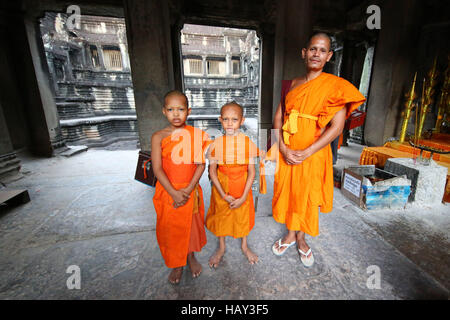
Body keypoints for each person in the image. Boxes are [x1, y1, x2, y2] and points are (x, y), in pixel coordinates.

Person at [269, 32, 366, 267]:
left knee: (307, 195)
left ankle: (301, 238)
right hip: (289, 150)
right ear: (304, 53)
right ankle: (290, 234)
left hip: (314, 153)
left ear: (329, 56)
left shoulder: (335, 87)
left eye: (322, 50)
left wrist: (309, 150)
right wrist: (282, 147)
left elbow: (337, 126)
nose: (316, 54)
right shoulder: (290, 84)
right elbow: (278, 120)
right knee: (290, 193)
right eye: (313, 49)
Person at [151, 90, 210, 284]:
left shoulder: (196, 135)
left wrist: (188, 189)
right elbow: (157, 169)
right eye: (171, 109)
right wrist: (174, 193)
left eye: (181, 109)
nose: (176, 114)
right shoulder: (158, 137)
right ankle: (177, 264)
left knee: (191, 227)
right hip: (168, 190)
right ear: (163, 111)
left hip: (190, 189)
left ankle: (191, 257)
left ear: (189, 111)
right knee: (171, 229)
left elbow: (201, 164)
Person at [205, 102, 266, 268]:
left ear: (242, 120)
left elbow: (252, 172)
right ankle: (222, 247)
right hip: (221, 186)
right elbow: (212, 172)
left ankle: (245, 246)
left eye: (234, 119)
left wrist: (244, 195)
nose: (230, 123)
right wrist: (223, 195)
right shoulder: (215, 145)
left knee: (242, 215)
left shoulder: (248, 144)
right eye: (226, 119)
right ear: (220, 120)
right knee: (221, 215)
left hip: (242, 186)